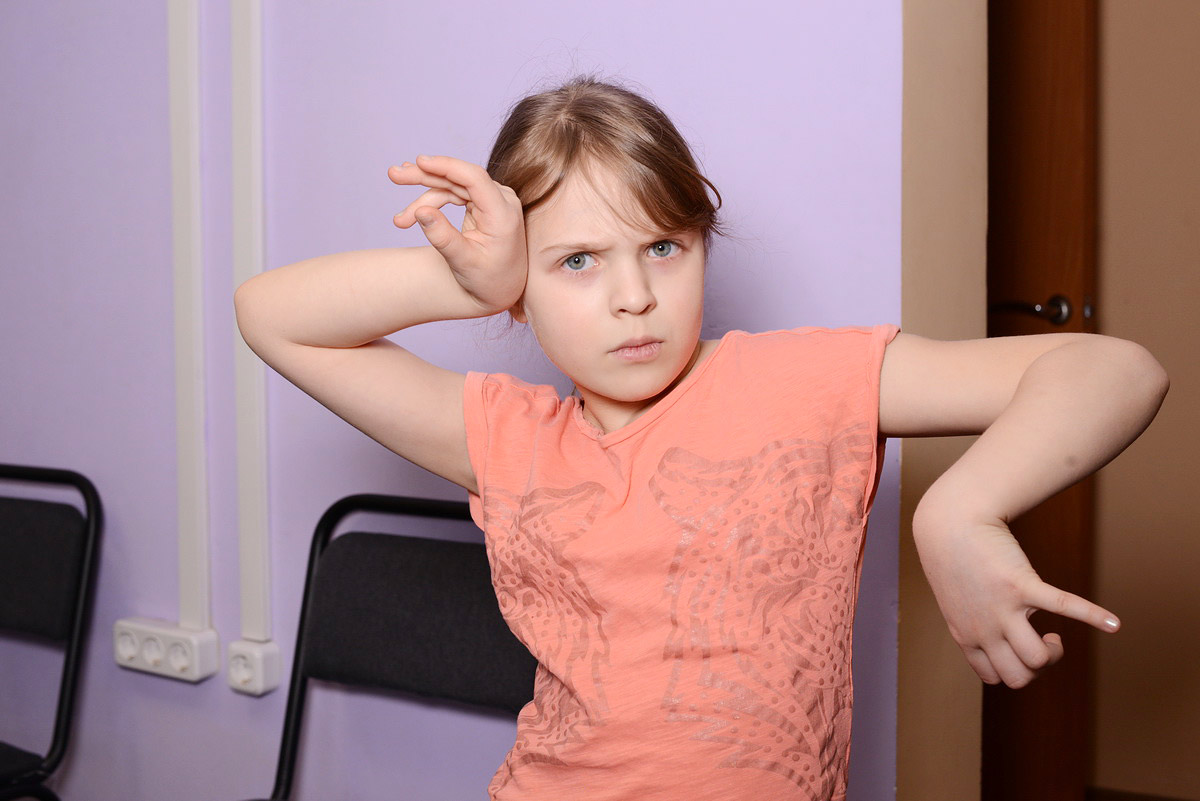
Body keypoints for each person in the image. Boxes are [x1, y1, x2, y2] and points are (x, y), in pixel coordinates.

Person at [233, 76, 1169, 800]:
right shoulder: (505, 437)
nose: (633, 296)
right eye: (577, 261)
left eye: (664, 247)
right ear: (522, 288)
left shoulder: (800, 383)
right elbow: (271, 315)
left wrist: (961, 510)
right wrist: (473, 281)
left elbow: (1116, 370)